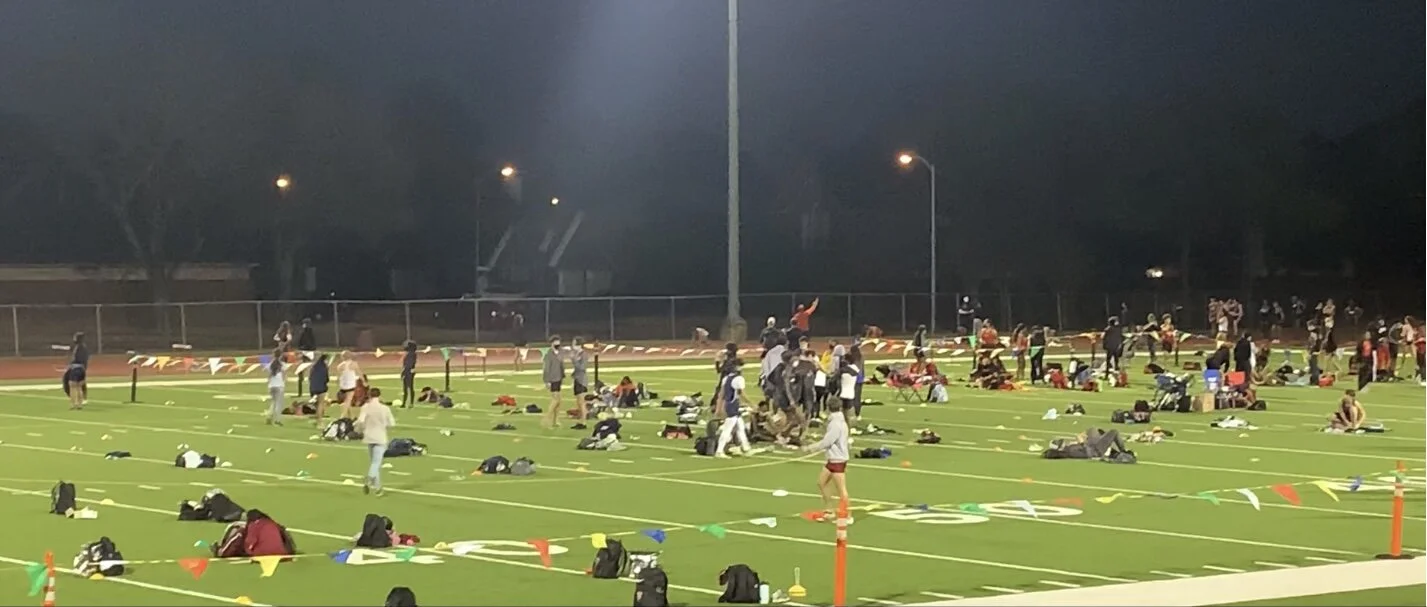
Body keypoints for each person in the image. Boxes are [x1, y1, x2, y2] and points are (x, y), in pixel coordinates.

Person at [802, 397, 850, 519]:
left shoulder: (835, 424)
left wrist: (811, 447)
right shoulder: (839, 421)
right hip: (833, 459)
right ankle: (829, 510)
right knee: (821, 483)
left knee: (841, 490)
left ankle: (847, 515)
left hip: (837, 459)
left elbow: (827, 442)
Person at [356, 387, 395, 496]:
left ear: (369, 395)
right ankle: (370, 478)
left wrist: (359, 430)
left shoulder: (365, 407)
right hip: (380, 437)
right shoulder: (385, 408)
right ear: (379, 395)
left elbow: (360, 421)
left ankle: (378, 488)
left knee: (374, 463)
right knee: (376, 463)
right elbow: (391, 423)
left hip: (369, 437)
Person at [714, 358, 753, 458]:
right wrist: (752, 404)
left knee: (740, 427)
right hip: (733, 405)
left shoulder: (726, 378)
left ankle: (746, 447)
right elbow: (741, 394)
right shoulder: (739, 379)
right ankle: (719, 450)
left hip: (729, 404)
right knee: (728, 429)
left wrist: (718, 408)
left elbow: (721, 395)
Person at [541, 336, 566, 429]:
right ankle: (546, 419)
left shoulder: (560, 352)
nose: (557, 344)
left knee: (559, 401)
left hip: (559, 378)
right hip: (552, 379)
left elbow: (561, 364)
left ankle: (555, 420)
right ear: (552, 343)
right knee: (555, 400)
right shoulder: (548, 354)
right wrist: (546, 381)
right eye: (555, 342)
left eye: (558, 342)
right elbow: (546, 369)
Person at [65, 331, 89, 409]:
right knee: (79, 387)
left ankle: (73, 404)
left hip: (75, 368)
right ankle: (79, 404)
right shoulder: (84, 348)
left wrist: (71, 364)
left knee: (72, 386)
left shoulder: (78, 348)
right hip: (82, 369)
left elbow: (75, 359)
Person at [335, 351, 362, 420]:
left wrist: (338, 383)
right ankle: (342, 416)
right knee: (348, 401)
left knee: (347, 401)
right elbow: (359, 373)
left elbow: (338, 377)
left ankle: (351, 416)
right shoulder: (353, 364)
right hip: (350, 385)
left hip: (343, 385)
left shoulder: (340, 365)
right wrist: (364, 380)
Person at [570, 337, 589, 420]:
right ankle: (580, 415)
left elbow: (582, 367)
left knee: (581, 401)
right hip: (577, 379)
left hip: (581, 380)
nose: (572, 345)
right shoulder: (577, 354)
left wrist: (574, 360)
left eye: (574, 343)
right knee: (578, 400)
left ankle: (583, 418)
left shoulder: (583, 354)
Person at [265, 349, 286, 426]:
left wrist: (268, 383)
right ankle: (277, 420)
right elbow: (284, 375)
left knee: (273, 402)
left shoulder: (270, 364)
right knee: (278, 404)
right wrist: (284, 383)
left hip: (272, 385)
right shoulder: (282, 364)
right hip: (279, 385)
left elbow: (269, 375)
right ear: (281, 355)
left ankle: (269, 416)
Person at [309, 354, 331, 426]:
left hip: (313, 388)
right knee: (320, 404)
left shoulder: (314, 367)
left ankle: (317, 420)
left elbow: (310, 378)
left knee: (316, 404)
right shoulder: (324, 368)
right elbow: (326, 379)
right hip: (321, 388)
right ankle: (320, 421)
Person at [400, 340, 418, 408]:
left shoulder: (411, 354)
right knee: (408, 388)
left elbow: (408, 365)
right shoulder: (412, 354)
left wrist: (403, 372)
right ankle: (408, 403)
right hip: (409, 371)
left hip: (408, 372)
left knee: (408, 387)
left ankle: (407, 403)